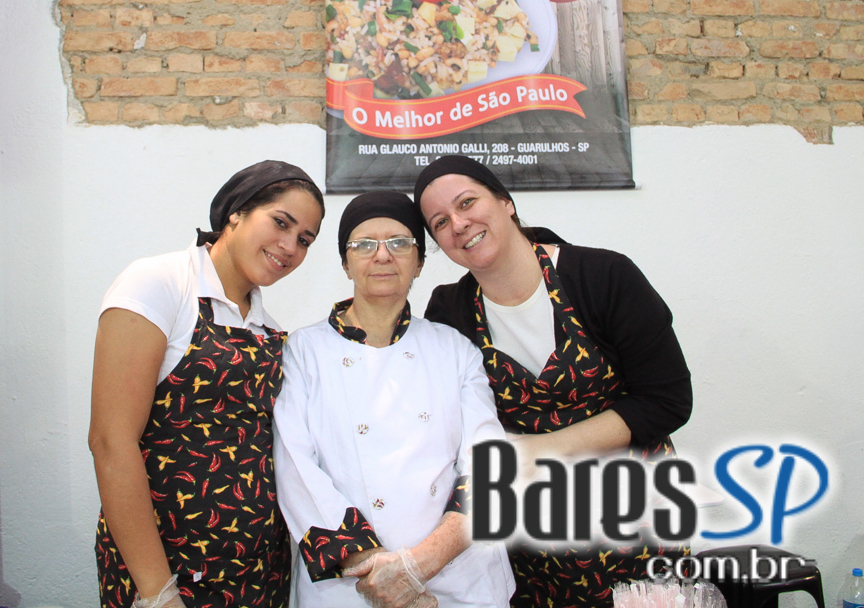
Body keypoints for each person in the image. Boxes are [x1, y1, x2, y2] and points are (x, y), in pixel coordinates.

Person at [413, 155, 693, 608]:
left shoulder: (603, 277)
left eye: (467, 203)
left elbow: (667, 400)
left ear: (505, 202)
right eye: (440, 222)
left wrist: (538, 450)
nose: (459, 224)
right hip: (531, 549)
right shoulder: (450, 310)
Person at [90, 160, 326, 608]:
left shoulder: (269, 330)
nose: (290, 246)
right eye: (281, 222)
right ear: (236, 212)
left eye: (304, 239)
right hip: (168, 572)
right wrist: (157, 593)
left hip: (259, 574)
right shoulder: (159, 285)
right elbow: (110, 442)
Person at [273, 191, 514, 608]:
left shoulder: (455, 349)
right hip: (352, 586)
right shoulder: (302, 351)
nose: (382, 255)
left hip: (460, 580)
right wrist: (378, 571)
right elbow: (296, 471)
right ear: (345, 262)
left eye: (400, 243)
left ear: (419, 262)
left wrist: (418, 565)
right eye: (364, 244)